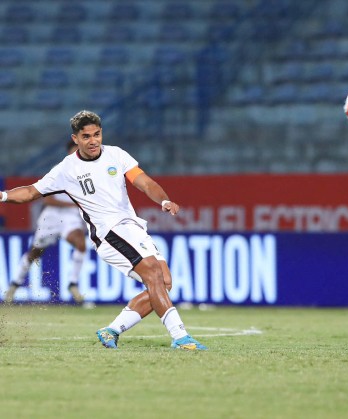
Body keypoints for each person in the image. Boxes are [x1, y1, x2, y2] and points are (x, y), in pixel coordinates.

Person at [0, 110, 206, 351]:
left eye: (97, 134)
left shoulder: (116, 155)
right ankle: (180, 337)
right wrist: (3, 196)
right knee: (153, 275)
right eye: (86, 136)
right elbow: (31, 192)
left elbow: (144, 182)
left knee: (164, 282)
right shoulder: (66, 169)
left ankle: (111, 331)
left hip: (132, 227)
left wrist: (163, 200)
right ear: (75, 139)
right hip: (108, 233)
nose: (93, 140)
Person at [4, 141, 87, 305]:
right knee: (35, 253)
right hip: (52, 217)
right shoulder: (59, 170)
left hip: (71, 217)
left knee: (81, 243)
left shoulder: (90, 171)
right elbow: (49, 200)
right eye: (74, 151)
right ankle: (14, 285)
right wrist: (76, 204)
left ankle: (73, 284)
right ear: (69, 153)